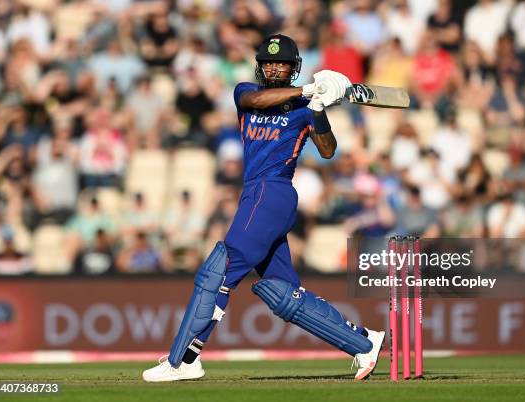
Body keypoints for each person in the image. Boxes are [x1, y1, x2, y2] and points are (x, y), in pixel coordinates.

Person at [142, 34, 385, 382]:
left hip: (273, 193)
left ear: (292, 67)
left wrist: (318, 110)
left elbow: (328, 150)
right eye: (268, 62)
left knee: (219, 270)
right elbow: (259, 98)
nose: (273, 67)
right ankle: (363, 343)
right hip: (255, 193)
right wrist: (307, 91)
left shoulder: (304, 108)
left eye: (281, 63)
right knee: (281, 293)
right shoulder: (246, 93)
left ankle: (183, 360)